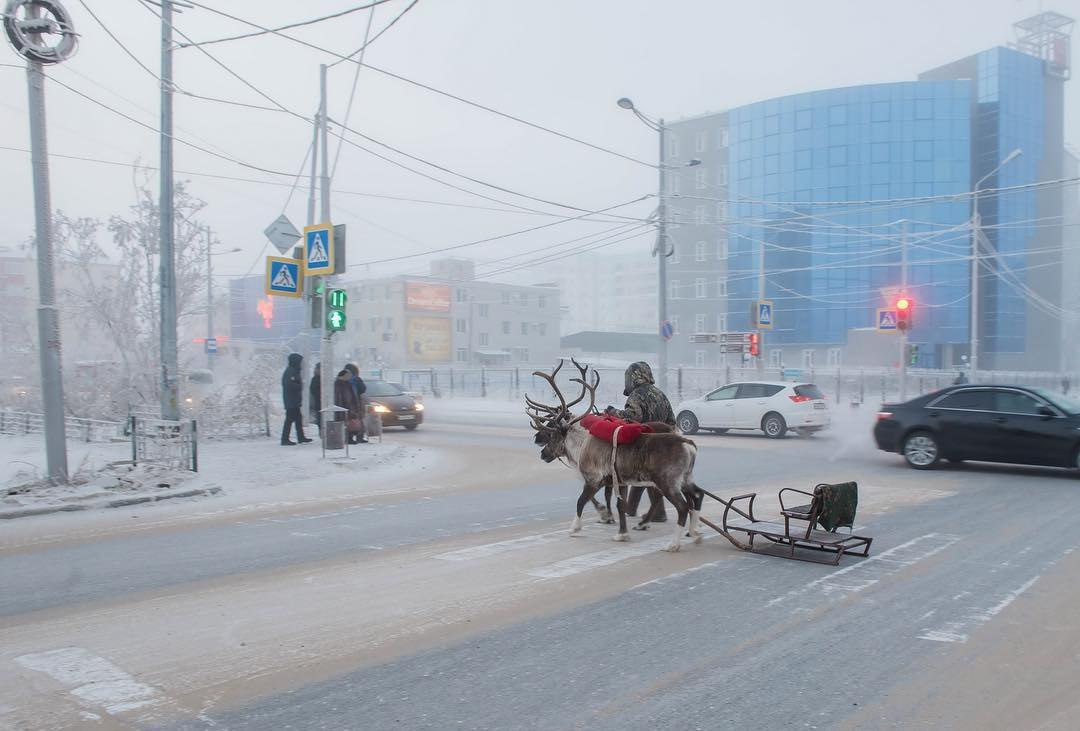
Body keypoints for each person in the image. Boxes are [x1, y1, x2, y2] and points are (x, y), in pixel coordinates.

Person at [605, 361, 676, 523]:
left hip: (644, 445)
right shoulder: (659, 394)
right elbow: (672, 421)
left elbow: (632, 417)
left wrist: (613, 412)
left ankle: (647, 511)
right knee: (650, 477)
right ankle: (637, 509)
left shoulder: (636, 395)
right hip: (664, 445)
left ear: (634, 377)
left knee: (641, 475)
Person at [281, 352, 311, 445]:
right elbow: (289, 384)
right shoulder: (290, 371)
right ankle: (285, 439)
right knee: (289, 420)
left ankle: (301, 437)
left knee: (298, 419)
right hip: (291, 401)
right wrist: (299, 386)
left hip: (294, 400)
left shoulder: (294, 370)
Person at [334, 369, 361, 443]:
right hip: (343, 406)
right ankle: (346, 438)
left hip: (349, 406)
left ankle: (350, 438)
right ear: (343, 375)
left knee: (350, 423)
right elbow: (339, 397)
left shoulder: (347, 383)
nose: (350, 376)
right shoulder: (338, 384)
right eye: (348, 375)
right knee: (345, 423)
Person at [344, 363, 368, 444]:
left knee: (350, 421)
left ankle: (350, 437)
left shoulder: (344, 379)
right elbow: (363, 389)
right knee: (357, 420)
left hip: (348, 403)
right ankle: (359, 437)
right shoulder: (356, 379)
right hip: (355, 402)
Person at [309, 363, 321, 435]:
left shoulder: (323, 378)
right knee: (320, 418)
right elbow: (313, 390)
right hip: (318, 402)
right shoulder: (315, 379)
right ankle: (322, 433)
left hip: (320, 402)